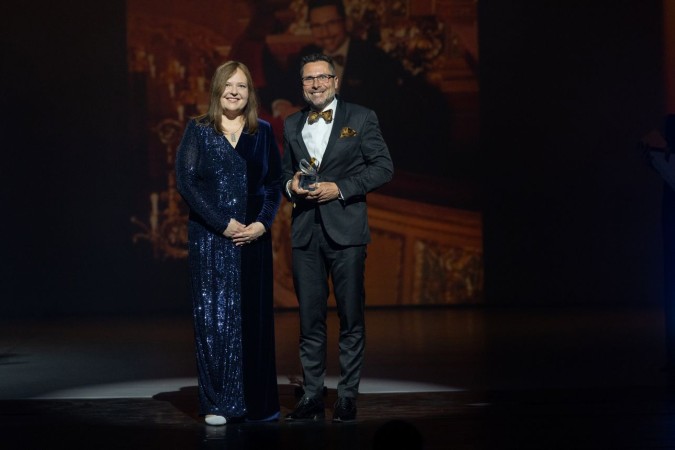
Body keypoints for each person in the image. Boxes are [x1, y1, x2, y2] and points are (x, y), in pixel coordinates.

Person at [282, 53, 393, 422]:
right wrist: (291, 185)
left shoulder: (360, 117)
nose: (315, 84)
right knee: (309, 320)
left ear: (335, 81)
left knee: (350, 317)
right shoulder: (292, 123)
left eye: (322, 77)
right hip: (305, 233)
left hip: (346, 232)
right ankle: (312, 395)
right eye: (308, 79)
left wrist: (340, 188)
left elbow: (383, 167)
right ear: (302, 85)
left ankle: (346, 396)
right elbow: (283, 174)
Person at [175, 61, 283, 425]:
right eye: (229, 85)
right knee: (214, 320)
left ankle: (258, 403)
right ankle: (217, 403)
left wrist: (261, 224)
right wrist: (223, 224)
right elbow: (187, 183)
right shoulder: (199, 129)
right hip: (210, 239)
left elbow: (273, 184)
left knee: (253, 322)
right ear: (217, 89)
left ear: (250, 92)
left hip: (253, 240)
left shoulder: (262, 131)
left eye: (242, 86)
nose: (235, 91)